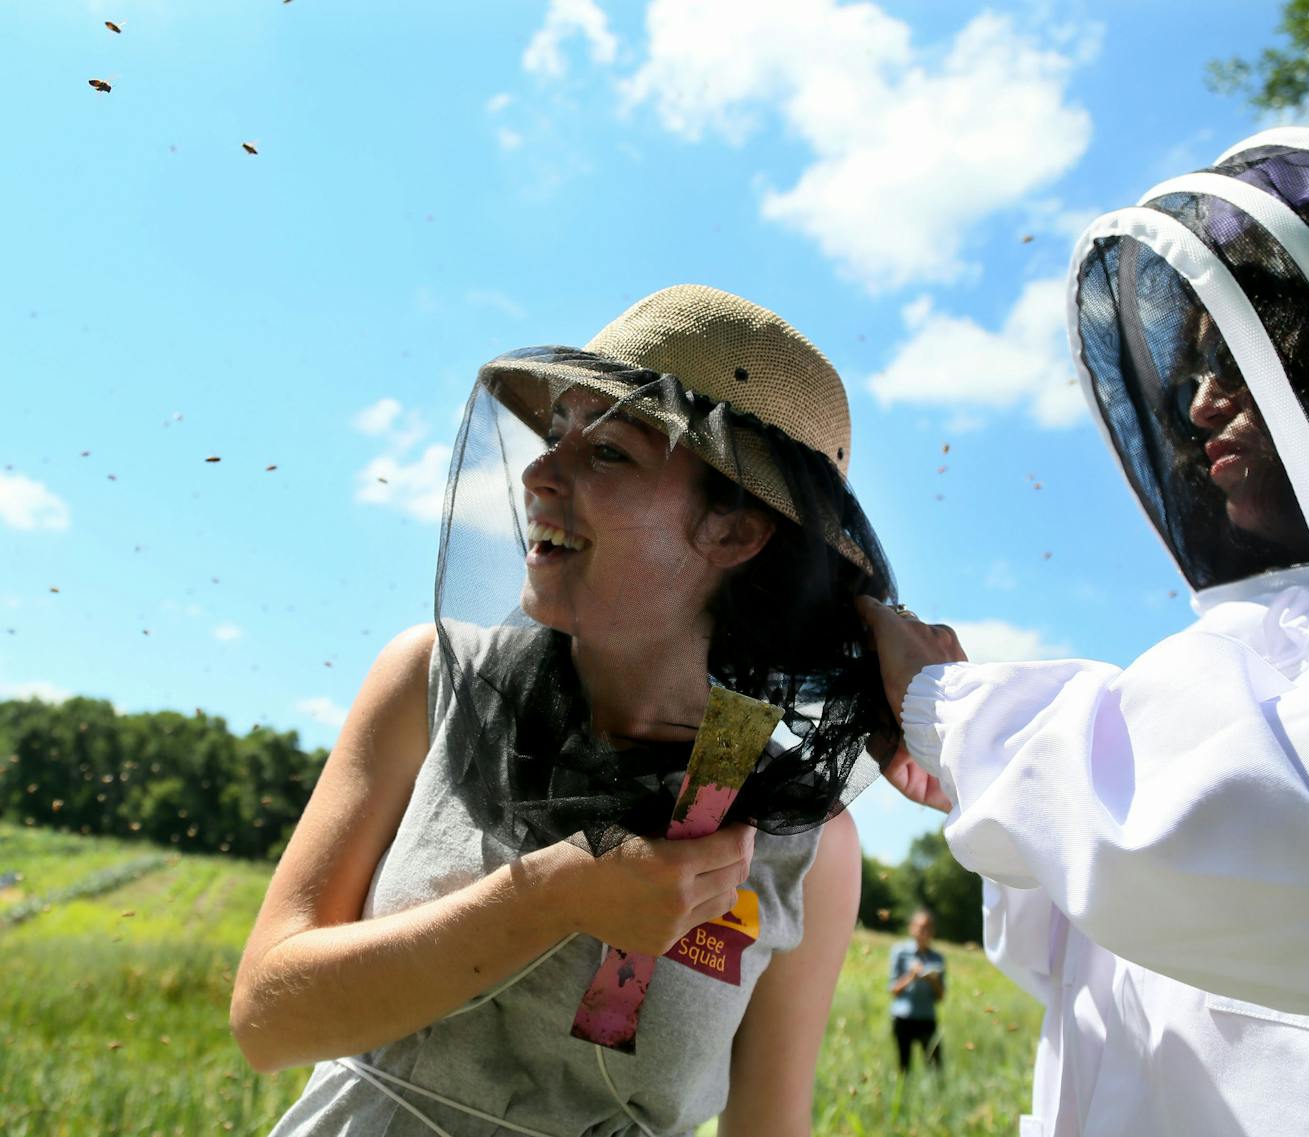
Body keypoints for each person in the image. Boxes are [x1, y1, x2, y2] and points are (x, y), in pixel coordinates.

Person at [857, 127, 1309, 1136]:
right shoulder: (1244, 644)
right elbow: (1109, 942)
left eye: (1247, 360)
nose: (1199, 407)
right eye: (1194, 370)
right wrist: (972, 784)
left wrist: (958, 717)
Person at [230, 284, 901, 1137]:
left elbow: (769, 1125)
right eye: (556, 436)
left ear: (735, 532)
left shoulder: (807, 840)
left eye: (609, 452)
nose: (539, 475)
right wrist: (548, 896)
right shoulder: (431, 681)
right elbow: (265, 1018)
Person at [887, 909, 944, 1073]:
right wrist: (911, 976)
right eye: (920, 927)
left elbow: (940, 996)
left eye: (928, 928)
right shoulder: (900, 952)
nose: (924, 932)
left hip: (927, 1018)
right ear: (912, 928)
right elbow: (893, 990)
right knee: (904, 1067)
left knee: (935, 1066)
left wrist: (933, 981)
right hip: (903, 1018)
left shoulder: (937, 958)